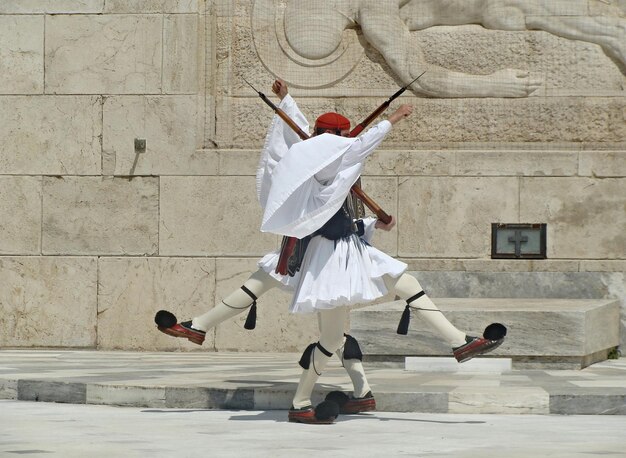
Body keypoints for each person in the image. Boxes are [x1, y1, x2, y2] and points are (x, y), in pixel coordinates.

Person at [156, 79, 506, 424]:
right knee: (328, 331)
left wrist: (372, 225)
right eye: (340, 138)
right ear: (336, 139)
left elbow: (339, 206)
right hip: (330, 257)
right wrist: (393, 118)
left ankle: (454, 345)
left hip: (346, 248)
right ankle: (302, 399)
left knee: (399, 284)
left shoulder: (323, 160)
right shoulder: (328, 161)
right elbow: (353, 148)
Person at [282, 0, 626, 97]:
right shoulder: (375, 12)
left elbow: (422, 80)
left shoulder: (374, 12)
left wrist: (493, 84)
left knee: (607, 31)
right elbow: (422, 80)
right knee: (606, 32)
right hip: (498, 9)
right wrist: (493, 84)